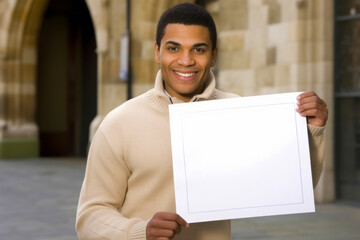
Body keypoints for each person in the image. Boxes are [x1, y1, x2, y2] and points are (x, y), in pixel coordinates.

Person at [76, 3, 328, 240]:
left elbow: (292, 187)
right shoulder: (119, 123)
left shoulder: (237, 113)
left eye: (198, 49)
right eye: (173, 48)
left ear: (214, 55)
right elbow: (89, 217)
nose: (186, 60)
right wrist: (141, 232)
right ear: (157, 52)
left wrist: (313, 130)